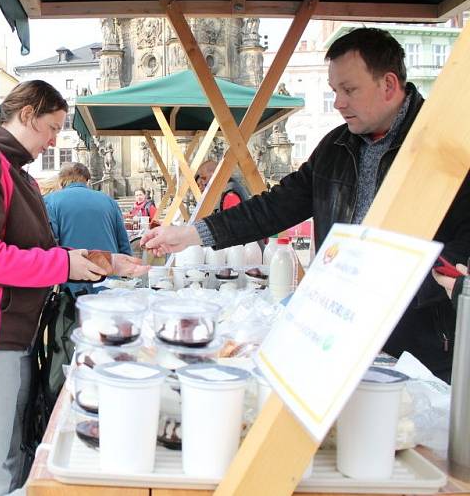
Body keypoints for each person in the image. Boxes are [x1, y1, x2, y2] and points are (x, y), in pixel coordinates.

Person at [141, 27, 470, 383]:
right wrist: (193, 234)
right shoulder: (335, 146)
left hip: (421, 342)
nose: (339, 102)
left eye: (349, 90)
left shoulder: (445, 147)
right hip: (342, 331)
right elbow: (274, 206)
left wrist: (432, 276)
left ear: (389, 85)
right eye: (334, 91)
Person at [0, 80, 148, 496]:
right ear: (27, 115)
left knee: (10, 454)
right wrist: (64, 263)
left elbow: (37, 251)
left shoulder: (11, 170)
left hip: (5, 331)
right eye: (52, 127)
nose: (53, 140)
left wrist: (105, 261)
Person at [45, 162, 133, 296]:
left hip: (73, 282)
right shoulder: (108, 201)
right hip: (108, 281)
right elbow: (123, 243)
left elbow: (50, 244)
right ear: (87, 180)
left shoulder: (50, 201)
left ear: (61, 181)